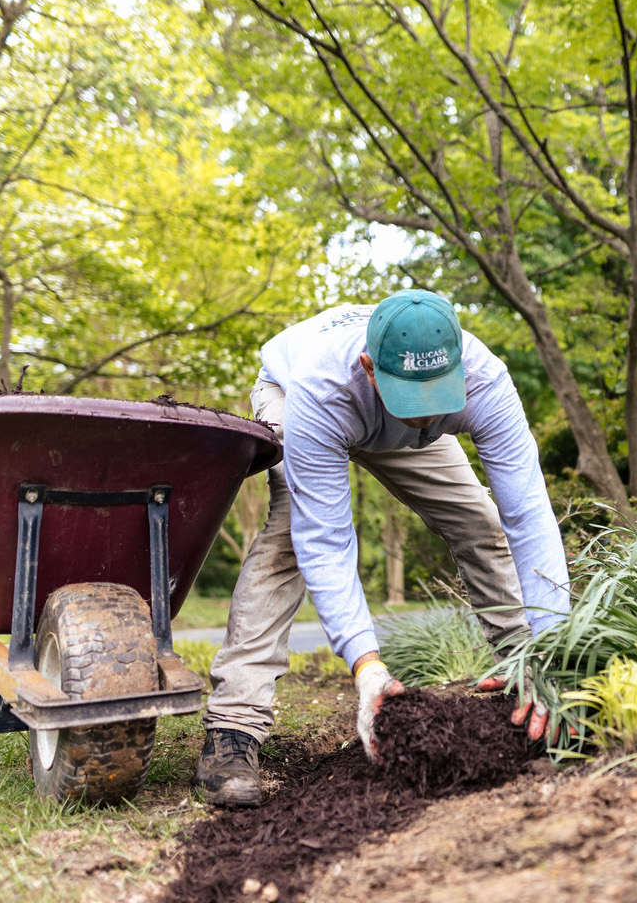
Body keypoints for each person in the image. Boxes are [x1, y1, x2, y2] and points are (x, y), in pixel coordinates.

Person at [195, 289, 571, 807]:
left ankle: (525, 667)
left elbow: (528, 516)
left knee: (480, 522)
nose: (426, 416)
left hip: (386, 413)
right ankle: (234, 725)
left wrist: (551, 651)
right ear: (370, 368)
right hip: (300, 399)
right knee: (290, 536)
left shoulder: (484, 380)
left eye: (438, 396)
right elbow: (325, 539)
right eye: (416, 400)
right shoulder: (322, 386)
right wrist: (366, 666)